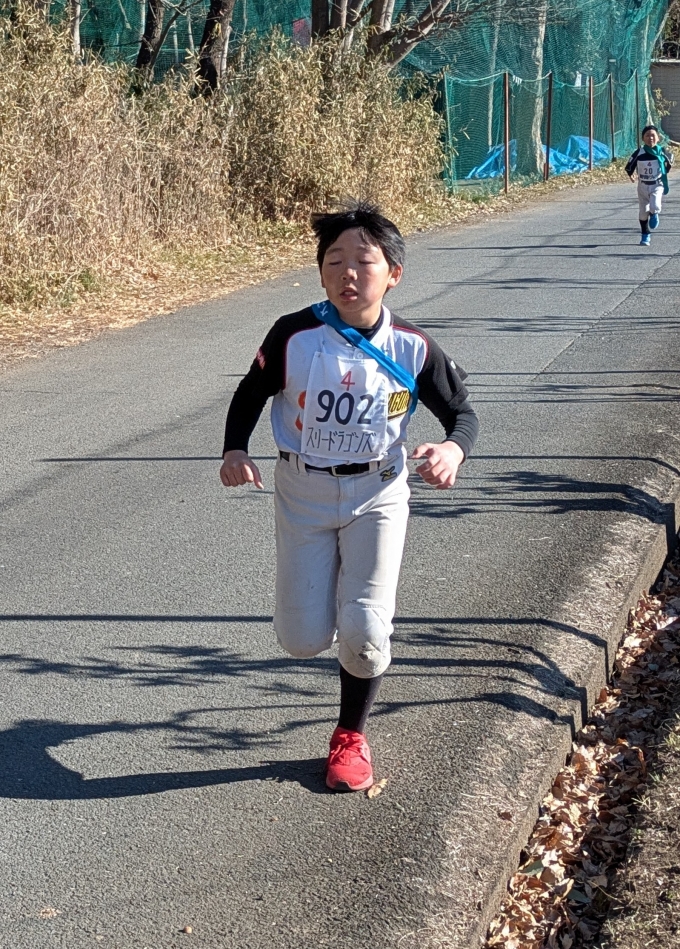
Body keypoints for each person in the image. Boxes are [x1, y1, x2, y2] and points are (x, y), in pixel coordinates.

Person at [219, 201, 479, 792]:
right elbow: (251, 392)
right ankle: (343, 616)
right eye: (334, 261)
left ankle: (350, 735)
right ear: (320, 273)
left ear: (394, 274)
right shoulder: (293, 333)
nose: (348, 274)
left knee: (363, 630)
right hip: (302, 491)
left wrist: (452, 450)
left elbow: (462, 414)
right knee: (302, 639)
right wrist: (235, 450)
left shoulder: (413, 346)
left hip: (378, 491)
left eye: (364, 261)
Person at [625, 124, 674, 246]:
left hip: (657, 184)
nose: (650, 138)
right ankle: (645, 234)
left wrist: (665, 170)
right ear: (643, 138)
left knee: (655, 205)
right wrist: (631, 174)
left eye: (653, 135)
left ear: (658, 138)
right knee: (643, 212)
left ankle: (654, 213)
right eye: (647, 135)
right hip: (642, 186)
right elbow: (630, 165)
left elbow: (669, 161)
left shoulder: (662, 151)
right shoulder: (640, 152)